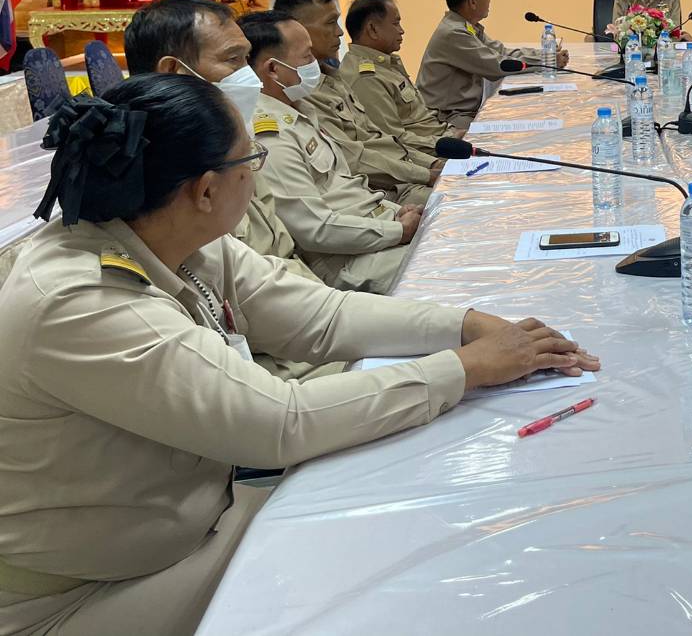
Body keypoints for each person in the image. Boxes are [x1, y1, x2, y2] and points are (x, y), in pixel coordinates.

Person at [0, 74, 598, 636]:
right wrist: (465, 368)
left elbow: (320, 316)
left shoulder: (171, 236)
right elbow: (278, 423)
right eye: (251, 160)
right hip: (84, 595)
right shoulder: (80, 303)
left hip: (195, 523)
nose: (256, 172)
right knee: (389, 569)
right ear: (206, 190)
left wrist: (465, 326)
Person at [124, 0, 342, 382]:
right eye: (233, 60)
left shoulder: (232, 142)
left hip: (298, 318)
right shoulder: (163, 180)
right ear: (174, 70)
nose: (251, 77)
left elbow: (272, 265)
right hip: (265, 362)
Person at [242, 10, 418, 294]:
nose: (315, 64)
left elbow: (345, 188)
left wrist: (397, 213)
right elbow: (315, 229)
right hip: (348, 261)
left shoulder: (300, 110)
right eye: (306, 57)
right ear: (273, 69)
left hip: (377, 230)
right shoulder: (270, 135)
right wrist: (399, 230)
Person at [274, 0, 440, 207]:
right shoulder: (303, 91)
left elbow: (379, 138)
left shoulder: (333, 77)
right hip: (380, 190)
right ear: (299, 30)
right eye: (331, 23)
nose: (340, 32)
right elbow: (353, 158)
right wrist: (426, 173)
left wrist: (431, 166)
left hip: (402, 177)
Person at [417, 0, 567, 132]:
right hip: (445, 118)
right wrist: (547, 62)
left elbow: (501, 52)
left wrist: (545, 55)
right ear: (473, 2)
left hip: (460, 111)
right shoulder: (454, 33)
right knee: (511, 129)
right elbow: (497, 65)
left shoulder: (466, 26)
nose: (489, 0)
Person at [342, 0, 457, 150]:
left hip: (440, 137)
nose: (401, 30)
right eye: (395, 23)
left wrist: (454, 135)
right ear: (372, 29)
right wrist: (450, 143)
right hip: (430, 152)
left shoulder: (386, 64)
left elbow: (420, 120)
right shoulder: (366, 79)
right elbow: (394, 141)